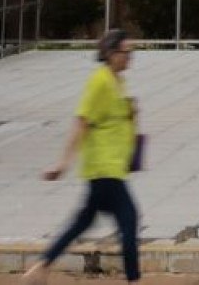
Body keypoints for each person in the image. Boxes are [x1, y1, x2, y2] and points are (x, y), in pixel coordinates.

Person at [23, 28, 141, 285]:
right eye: (126, 52)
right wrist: (63, 163)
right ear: (110, 53)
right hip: (103, 167)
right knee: (129, 220)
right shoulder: (99, 81)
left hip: (112, 167)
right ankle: (134, 280)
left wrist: (131, 117)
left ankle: (41, 267)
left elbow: (119, 121)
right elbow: (82, 121)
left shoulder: (118, 81)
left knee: (83, 222)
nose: (130, 57)